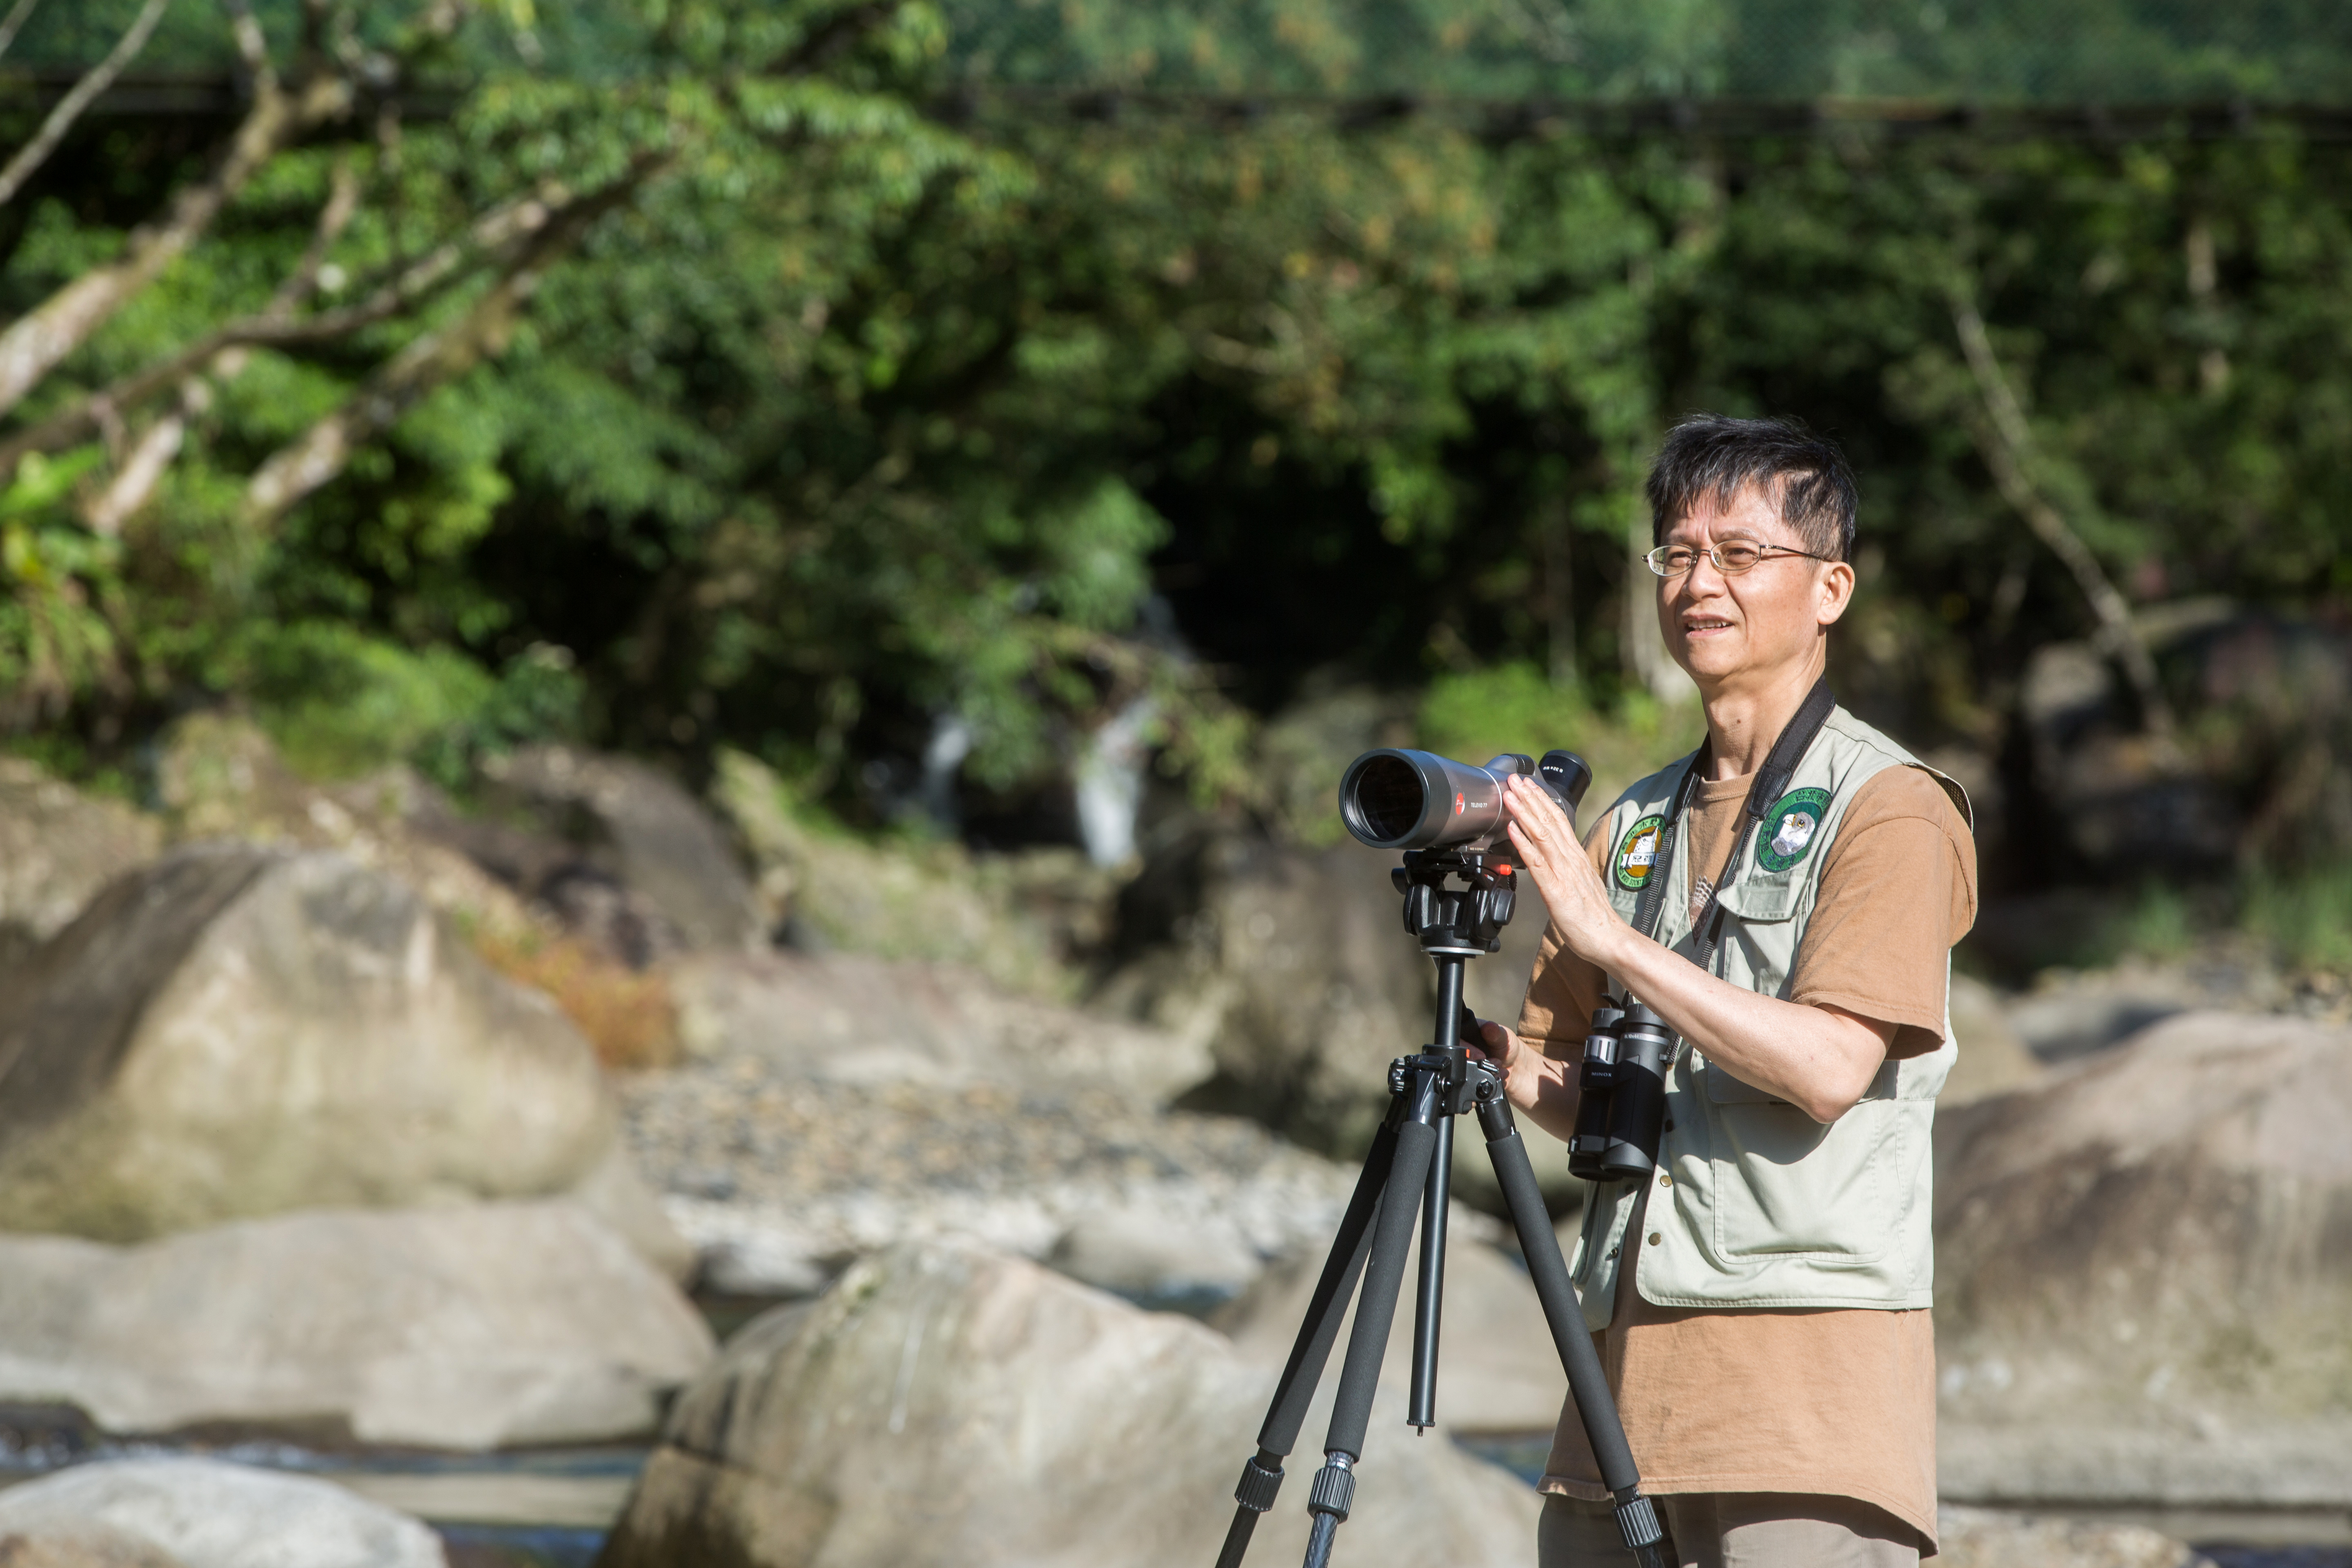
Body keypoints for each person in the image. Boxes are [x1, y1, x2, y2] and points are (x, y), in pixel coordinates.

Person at [1477, 415, 1977, 1568]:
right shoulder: (1633, 824)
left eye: (1740, 554)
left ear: (1831, 587)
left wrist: (1613, 939)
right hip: (1612, 1409)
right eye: (1677, 553)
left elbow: (1829, 1067)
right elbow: (1586, 1102)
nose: (1700, 581)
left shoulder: (1890, 807)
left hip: (1802, 1420)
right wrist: (1502, 1065)